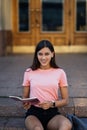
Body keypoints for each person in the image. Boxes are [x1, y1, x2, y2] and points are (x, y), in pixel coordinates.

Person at [22, 40, 72, 130]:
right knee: (37, 129)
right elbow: (25, 98)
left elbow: (66, 100)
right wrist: (25, 103)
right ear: (36, 55)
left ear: (52, 54)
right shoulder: (29, 72)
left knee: (66, 125)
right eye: (40, 54)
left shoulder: (60, 72)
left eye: (47, 54)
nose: (43, 58)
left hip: (52, 114)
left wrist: (52, 104)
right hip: (33, 114)